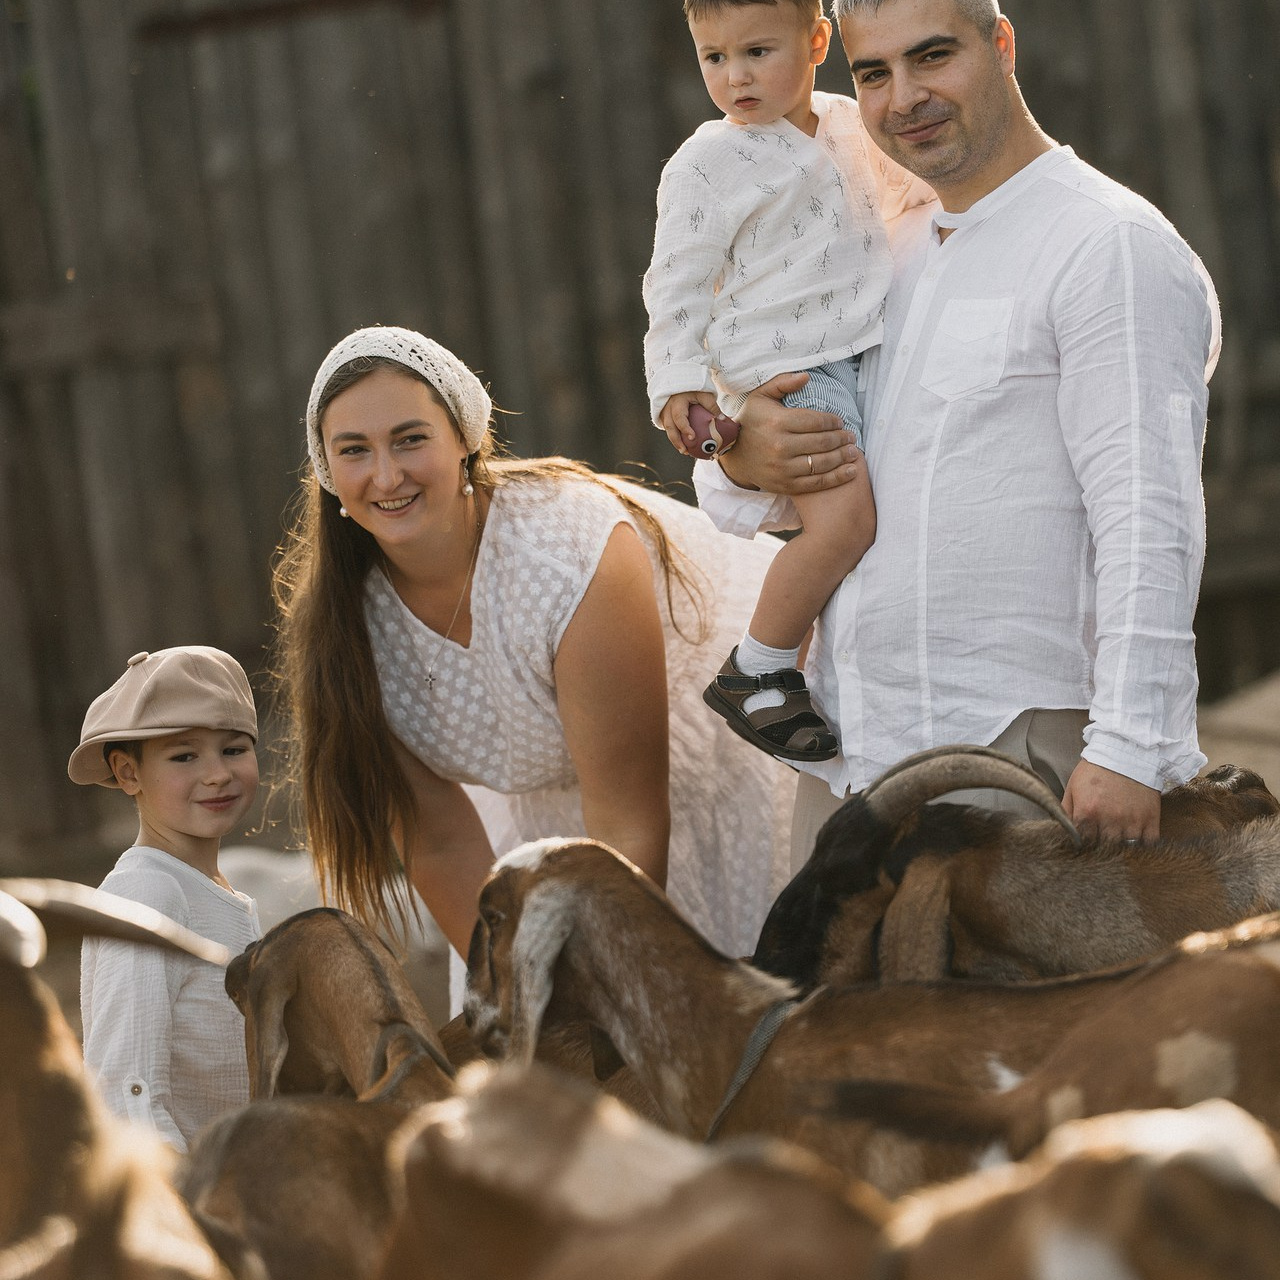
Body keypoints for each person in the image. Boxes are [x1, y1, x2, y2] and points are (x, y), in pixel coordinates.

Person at [692, 0, 1221, 867]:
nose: (905, 97)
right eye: (873, 73)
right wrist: (742, 456)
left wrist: (1131, 747)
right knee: (832, 1009)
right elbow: (779, 471)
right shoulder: (872, 251)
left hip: (1014, 752)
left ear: (1002, 44)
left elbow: (1149, 518)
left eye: (932, 57)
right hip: (850, 758)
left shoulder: (1106, 245)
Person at [270, 325, 797, 1004]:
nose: (386, 475)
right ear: (327, 471)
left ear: (464, 438)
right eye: (354, 451)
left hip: (717, 771)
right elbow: (437, 844)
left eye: (410, 439)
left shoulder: (568, 554)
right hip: (544, 833)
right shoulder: (345, 625)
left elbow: (629, 817)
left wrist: (605, 994)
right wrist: (517, 992)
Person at [644, 0, 920, 763]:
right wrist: (679, 387)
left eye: (757, 52)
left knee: (847, 522)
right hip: (786, 366)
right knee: (843, 524)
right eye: (713, 58)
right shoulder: (706, 162)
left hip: (853, 348)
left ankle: (800, 668)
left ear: (818, 41)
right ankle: (758, 668)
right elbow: (676, 285)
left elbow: (901, 196)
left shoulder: (845, 124)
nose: (735, 77)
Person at [71, 646, 262, 1152]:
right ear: (129, 773)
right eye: (184, 756)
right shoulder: (148, 892)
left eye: (234, 749)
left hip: (243, 1191)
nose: (217, 773)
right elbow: (124, 1087)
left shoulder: (224, 898)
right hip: (191, 1200)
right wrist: (187, 1211)